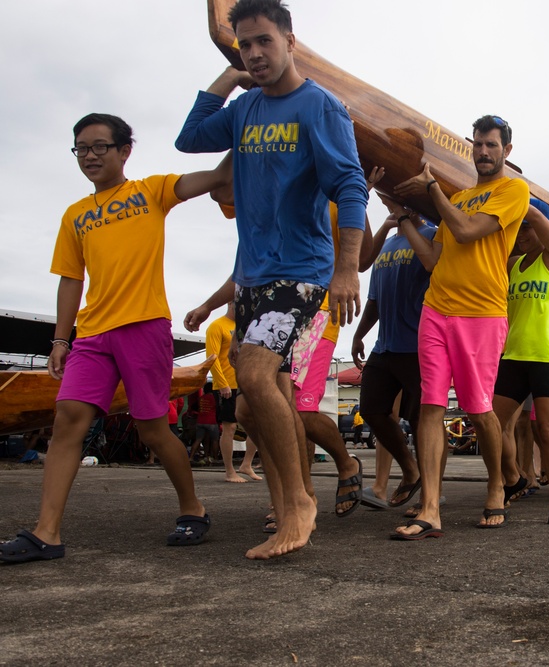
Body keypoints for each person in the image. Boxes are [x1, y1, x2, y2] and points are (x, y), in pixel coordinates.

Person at [175, 0, 369, 559]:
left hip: (302, 271)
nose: (255, 53)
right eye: (244, 45)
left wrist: (345, 269)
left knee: (255, 375)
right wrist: (230, 77)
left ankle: (299, 508)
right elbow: (190, 140)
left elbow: (350, 188)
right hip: (253, 277)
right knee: (266, 394)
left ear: (290, 39)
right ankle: (296, 496)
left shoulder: (320, 107)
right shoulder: (245, 109)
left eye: (263, 41)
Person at [0, 113, 228, 564]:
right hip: (92, 335)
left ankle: (192, 508)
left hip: (144, 328)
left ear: (125, 151)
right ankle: (46, 533)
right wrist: (60, 341)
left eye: (99, 146)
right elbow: (70, 281)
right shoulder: (75, 215)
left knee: (152, 429)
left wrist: (253, 122)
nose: (89, 156)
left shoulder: (152, 191)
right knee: (67, 418)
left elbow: (219, 176)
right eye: (81, 148)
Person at [388, 115, 530, 539]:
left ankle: (497, 486)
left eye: (491, 145)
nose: (483, 152)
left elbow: (467, 232)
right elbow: (432, 260)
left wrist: (433, 189)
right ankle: (430, 508)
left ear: (506, 150)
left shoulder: (512, 190)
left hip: (481, 314)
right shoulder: (461, 195)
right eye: (478, 145)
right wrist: (405, 220)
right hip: (437, 309)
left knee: (478, 408)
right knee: (429, 406)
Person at [490, 198, 549, 526]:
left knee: (548, 430)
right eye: (518, 228)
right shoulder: (513, 264)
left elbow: (538, 218)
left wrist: (517, 197)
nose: (522, 233)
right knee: (491, 425)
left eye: (527, 227)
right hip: (513, 355)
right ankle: (512, 478)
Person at [351, 207, 436, 510]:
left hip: (419, 345)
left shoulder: (432, 235)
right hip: (384, 346)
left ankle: (430, 496)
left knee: (423, 420)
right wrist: (359, 333)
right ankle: (411, 469)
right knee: (372, 410)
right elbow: (375, 297)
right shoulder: (386, 245)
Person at [206, 303, 260, 482]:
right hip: (227, 385)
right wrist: (222, 384)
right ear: (231, 304)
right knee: (229, 427)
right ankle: (229, 471)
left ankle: (246, 464)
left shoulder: (246, 327)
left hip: (247, 383)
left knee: (255, 425)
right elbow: (211, 358)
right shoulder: (217, 326)